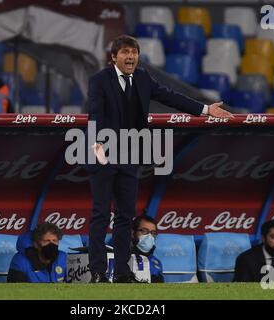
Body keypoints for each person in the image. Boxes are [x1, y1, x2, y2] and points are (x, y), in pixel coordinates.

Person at [87, 35, 234, 283]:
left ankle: (122, 273)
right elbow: (95, 112)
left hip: (130, 156)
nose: (131, 56)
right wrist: (98, 142)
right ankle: (98, 272)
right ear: (114, 57)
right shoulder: (100, 80)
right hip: (102, 153)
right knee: (101, 215)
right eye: (124, 52)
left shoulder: (143, 78)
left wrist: (206, 110)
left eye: (134, 52)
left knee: (125, 217)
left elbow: (171, 97)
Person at [131, 215, 164, 283]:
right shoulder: (122, 260)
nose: (149, 236)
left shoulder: (156, 263)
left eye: (153, 233)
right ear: (133, 233)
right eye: (144, 231)